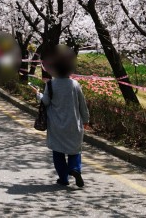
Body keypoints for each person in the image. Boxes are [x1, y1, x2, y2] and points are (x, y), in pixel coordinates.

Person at [38, 46, 89, 187]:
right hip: (74, 123)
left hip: (56, 124)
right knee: (75, 149)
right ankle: (75, 168)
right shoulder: (75, 84)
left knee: (58, 151)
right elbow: (82, 104)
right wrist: (86, 120)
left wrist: (39, 96)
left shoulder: (51, 85)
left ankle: (63, 178)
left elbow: (46, 101)